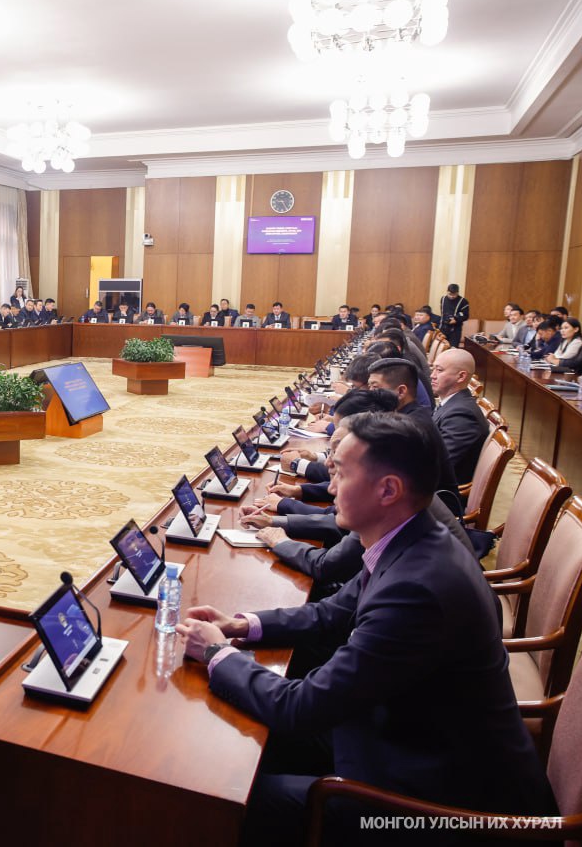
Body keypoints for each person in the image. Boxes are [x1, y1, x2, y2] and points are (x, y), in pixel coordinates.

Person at [176, 413, 553, 845]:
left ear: (388, 489)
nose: (330, 488)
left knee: (214, 798)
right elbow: (331, 613)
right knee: (233, 742)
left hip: (440, 806)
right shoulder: (410, 539)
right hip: (398, 734)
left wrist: (216, 653)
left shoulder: (417, 588)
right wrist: (242, 625)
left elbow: (301, 707)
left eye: (340, 473)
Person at [366, 357, 460, 509]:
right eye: (369, 387)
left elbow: (378, 478)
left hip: (431, 511)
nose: (370, 394)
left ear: (401, 391)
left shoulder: (409, 427)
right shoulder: (410, 414)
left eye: (375, 387)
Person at [430, 348, 490, 486]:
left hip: (439, 491)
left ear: (461, 377)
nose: (432, 375)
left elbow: (437, 464)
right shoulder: (452, 404)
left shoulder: (462, 415)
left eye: (439, 370)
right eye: (433, 369)